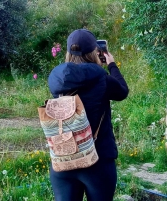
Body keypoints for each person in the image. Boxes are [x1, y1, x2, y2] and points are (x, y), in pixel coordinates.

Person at [47, 29, 129, 201]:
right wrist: (112, 65)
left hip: (63, 161)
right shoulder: (102, 78)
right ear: (95, 52)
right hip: (97, 161)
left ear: (69, 52)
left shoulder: (58, 80)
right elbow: (122, 92)